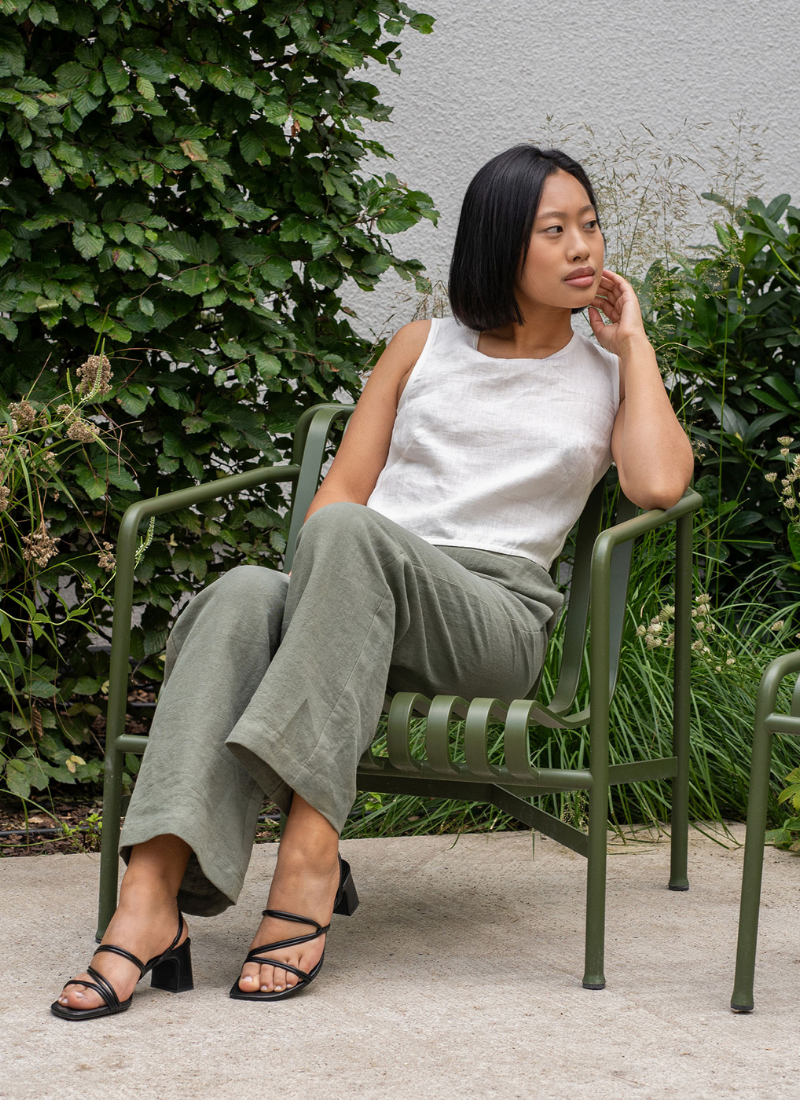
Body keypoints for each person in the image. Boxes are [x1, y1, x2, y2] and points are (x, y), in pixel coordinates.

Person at [52, 144, 694, 1019]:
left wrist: (635, 344)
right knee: (243, 592)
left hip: (490, 616)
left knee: (351, 538)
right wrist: (321, 602)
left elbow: (657, 487)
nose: (583, 247)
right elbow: (338, 499)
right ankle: (149, 900)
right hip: (355, 587)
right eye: (555, 230)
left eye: (589, 225)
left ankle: (311, 854)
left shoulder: (609, 369)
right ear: (500, 244)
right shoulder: (421, 346)